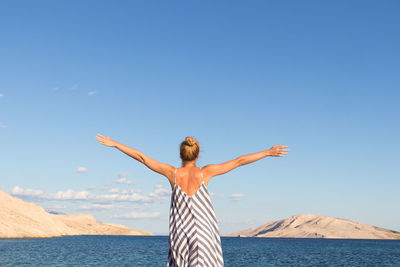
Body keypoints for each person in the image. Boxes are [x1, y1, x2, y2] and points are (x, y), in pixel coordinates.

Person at [96, 134, 289, 266]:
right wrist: (267, 152)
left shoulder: (172, 173)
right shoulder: (207, 172)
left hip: (180, 235)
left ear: (181, 155)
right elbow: (238, 161)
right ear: (197, 155)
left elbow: (142, 157)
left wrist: (116, 143)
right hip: (204, 235)